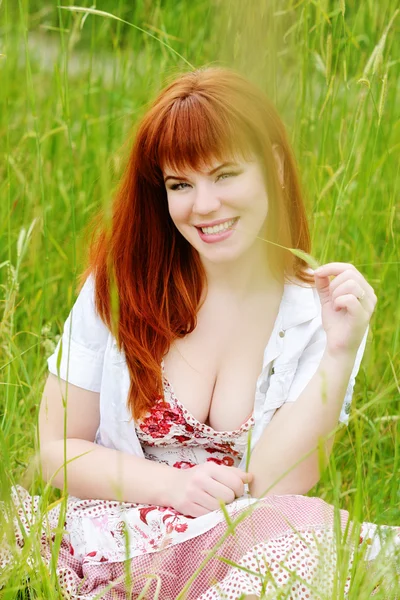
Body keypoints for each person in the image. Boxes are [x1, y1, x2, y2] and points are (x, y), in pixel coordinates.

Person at [1, 66, 398, 600]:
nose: (203, 205)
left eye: (225, 174)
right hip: (116, 533)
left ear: (275, 168)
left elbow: (279, 483)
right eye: (180, 184)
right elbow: (57, 452)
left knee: (311, 542)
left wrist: (340, 351)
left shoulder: (320, 312)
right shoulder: (119, 286)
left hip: (244, 541)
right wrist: (172, 486)